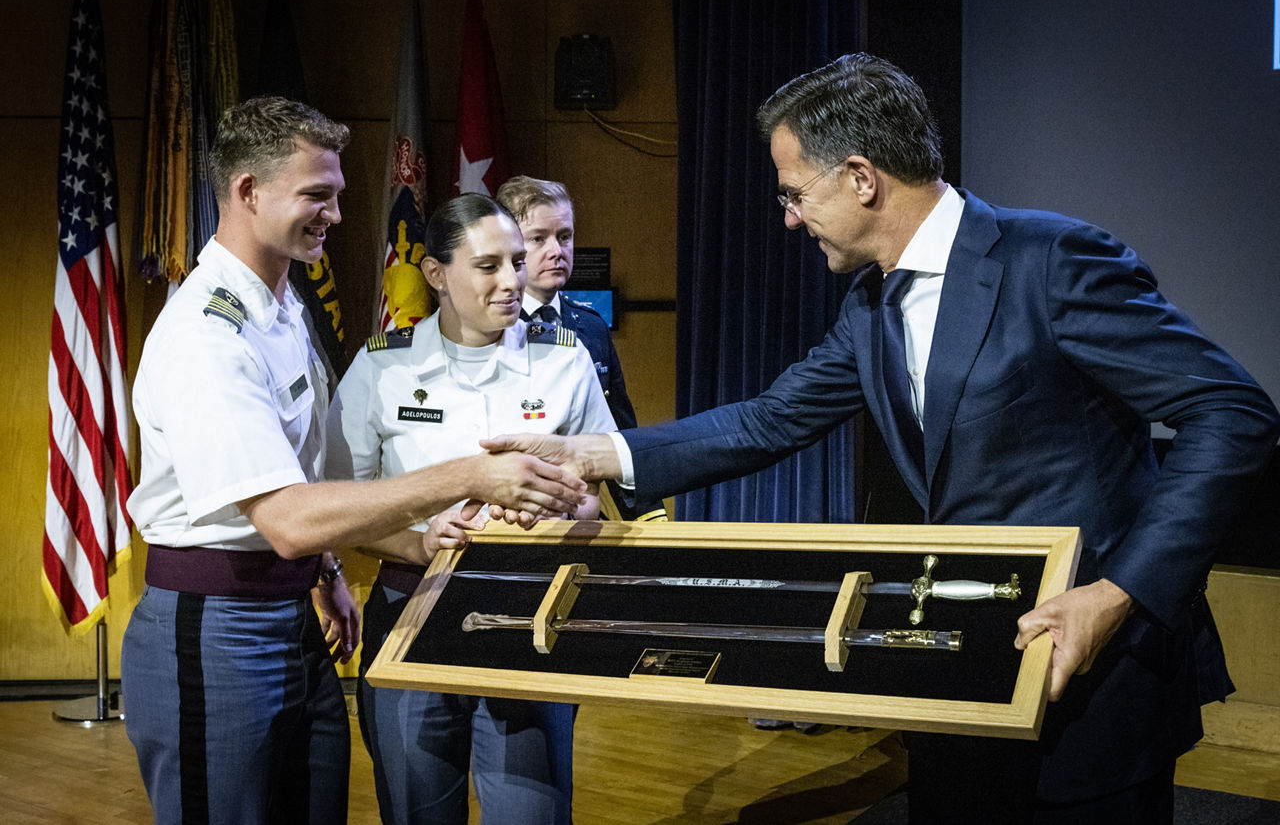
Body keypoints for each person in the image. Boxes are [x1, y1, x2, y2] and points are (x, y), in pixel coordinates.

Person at [481, 54, 1280, 823]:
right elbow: (770, 419)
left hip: (1098, 674)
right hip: (953, 674)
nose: (788, 217)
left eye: (795, 193)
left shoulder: (1052, 261)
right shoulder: (869, 306)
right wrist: (590, 454)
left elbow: (1234, 412)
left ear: (862, 178)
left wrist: (1120, 593)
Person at [121, 97, 587, 825]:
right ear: (247, 190)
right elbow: (284, 519)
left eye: (336, 195)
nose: (336, 215)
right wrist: (471, 475)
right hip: (218, 626)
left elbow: (305, 475)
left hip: (294, 617)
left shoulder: (281, 307)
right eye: (317, 195)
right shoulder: (206, 334)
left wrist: (330, 573)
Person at [325, 193, 616, 824]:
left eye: (517, 260)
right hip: (411, 614)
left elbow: (596, 499)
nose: (514, 280)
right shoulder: (382, 367)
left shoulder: (566, 359)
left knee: (531, 812)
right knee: (417, 810)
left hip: (531, 614)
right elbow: (342, 506)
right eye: (489, 266)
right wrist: (420, 540)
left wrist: (562, 509)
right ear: (436, 275)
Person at [495, 175, 666, 522]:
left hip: (579, 513)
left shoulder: (589, 327)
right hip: (508, 517)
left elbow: (618, 433)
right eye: (538, 239)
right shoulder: (491, 328)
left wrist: (649, 517)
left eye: (565, 237)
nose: (556, 251)